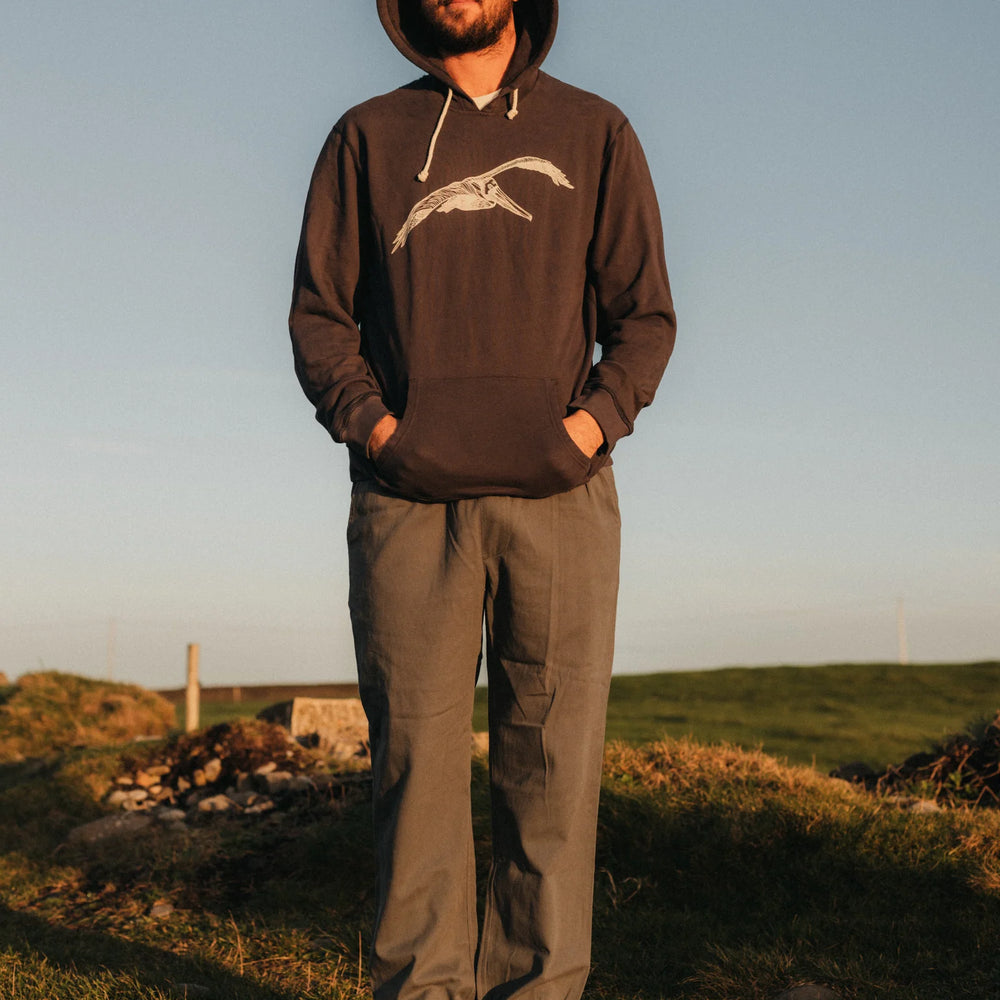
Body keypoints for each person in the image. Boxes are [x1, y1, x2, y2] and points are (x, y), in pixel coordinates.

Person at [288, 1, 676, 997]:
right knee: (414, 770)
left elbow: (643, 319)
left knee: (551, 776)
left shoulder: (594, 132)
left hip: (560, 502)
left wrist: (580, 432)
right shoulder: (366, 137)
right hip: (407, 506)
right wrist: (384, 432)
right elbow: (321, 319)